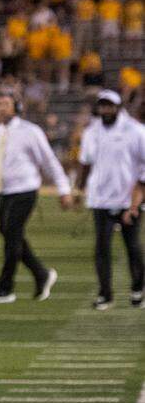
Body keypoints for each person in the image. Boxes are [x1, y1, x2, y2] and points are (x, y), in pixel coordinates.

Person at [0, 93, 70, 303]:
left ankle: (5, 288)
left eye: (5, 104)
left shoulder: (30, 131)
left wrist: (63, 189)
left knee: (12, 235)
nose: (0, 108)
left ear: (17, 107)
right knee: (9, 234)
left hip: (25, 190)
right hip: (2, 192)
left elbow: (48, 160)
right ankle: (42, 275)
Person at [66, 90, 145, 309]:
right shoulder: (92, 132)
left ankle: (138, 289)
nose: (105, 110)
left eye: (109, 106)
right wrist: (78, 191)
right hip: (100, 199)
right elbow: (86, 163)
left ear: (119, 107)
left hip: (129, 199)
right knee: (102, 248)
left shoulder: (137, 131)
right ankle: (105, 293)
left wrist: (136, 201)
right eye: (102, 105)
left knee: (133, 247)